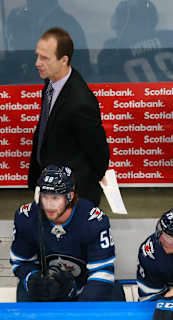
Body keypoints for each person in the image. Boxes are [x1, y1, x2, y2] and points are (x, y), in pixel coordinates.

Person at [10, 165, 124, 302]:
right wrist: (33, 280)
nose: (49, 205)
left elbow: (102, 274)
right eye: (45, 197)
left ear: (69, 196)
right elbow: (21, 261)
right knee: (24, 290)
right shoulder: (26, 217)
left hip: (84, 288)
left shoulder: (93, 221)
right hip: (47, 291)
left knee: (112, 292)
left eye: (55, 198)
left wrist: (76, 310)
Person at [28, 27, 109, 206]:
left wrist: (81, 186)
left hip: (73, 195)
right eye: (37, 55)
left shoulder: (80, 102)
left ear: (64, 60)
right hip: (49, 186)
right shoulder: (50, 83)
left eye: (44, 58)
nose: (37, 63)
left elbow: (99, 153)